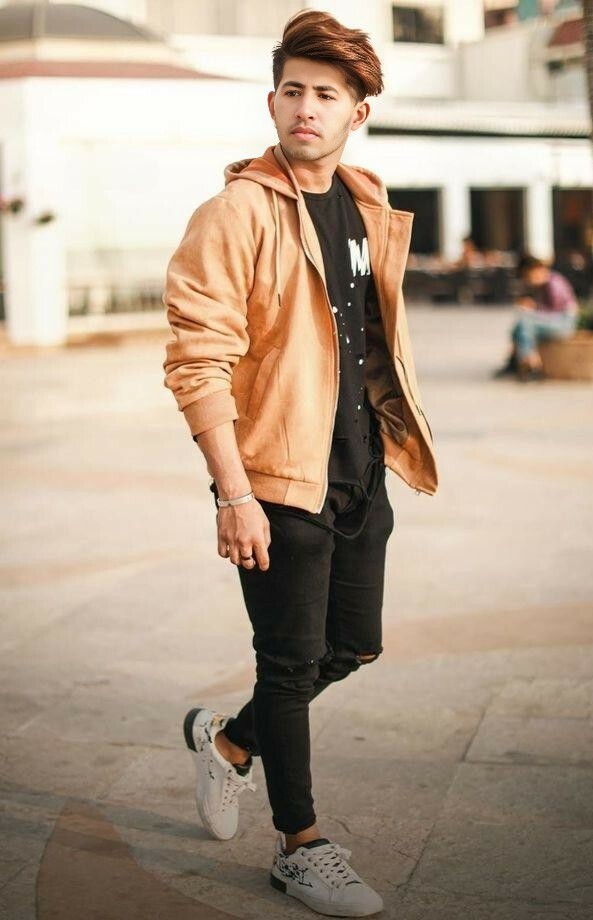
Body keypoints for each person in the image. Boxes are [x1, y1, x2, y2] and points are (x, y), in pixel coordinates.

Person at [162, 10, 437, 917]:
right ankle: (300, 847)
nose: (305, 108)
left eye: (325, 94)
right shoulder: (235, 212)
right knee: (286, 664)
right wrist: (232, 494)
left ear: (358, 111)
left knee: (352, 646)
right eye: (291, 90)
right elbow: (196, 359)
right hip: (276, 476)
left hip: (358, 469)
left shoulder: (363, 200)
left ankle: (229, 743)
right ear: (271, 101)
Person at [494, 254, 579, 381]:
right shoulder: (543, 285)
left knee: (525, 322)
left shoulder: (554, 283)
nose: (528, 280)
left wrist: (534, 307)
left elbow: (555, 312)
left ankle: (532, 365)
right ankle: (518, 361)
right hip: (555, 321)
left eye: (529, 276)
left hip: (564, 324)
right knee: (521, 325)